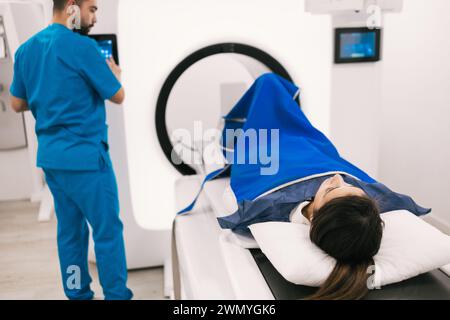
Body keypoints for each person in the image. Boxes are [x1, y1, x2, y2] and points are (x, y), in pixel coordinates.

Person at [10, 0, 132, 300]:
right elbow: (117, 96)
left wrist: (45, 95)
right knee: (107, 233)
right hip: (87, 160)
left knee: (70, 234)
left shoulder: (26, 50)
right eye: (92, 9)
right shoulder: (84, 48)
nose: (94, 17)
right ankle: (117, 296)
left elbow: (17, 103)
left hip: (52, 160)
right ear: (72, 8)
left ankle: (77, 293)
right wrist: (115, 74)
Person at [289, 173, 383, 300]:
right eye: (349, 184)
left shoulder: (267, 209)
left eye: (330, 189)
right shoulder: (365, 211)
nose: (337, 176)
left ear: (313, 220)